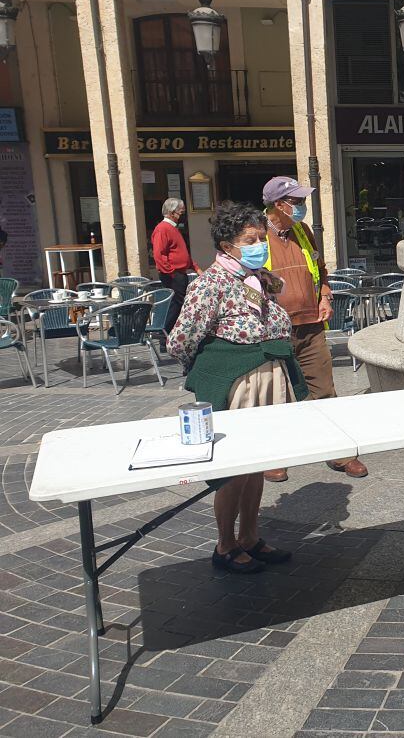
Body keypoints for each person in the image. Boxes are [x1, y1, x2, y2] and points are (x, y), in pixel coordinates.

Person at [166, 202, 306, 574]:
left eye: (261, 237)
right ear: (228, 245)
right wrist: (211, 372)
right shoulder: (210, 284)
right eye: (251, 239)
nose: (260, 244)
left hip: (267, 377)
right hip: (238, 386)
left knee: (256, 464)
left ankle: (250, 537)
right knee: (233, 469)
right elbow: (180, 340)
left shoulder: (257, 278)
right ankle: (225, 544)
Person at [259, 176, 369, 482]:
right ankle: (275, 457)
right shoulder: (256, 236)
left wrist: (324, 296)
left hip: (310, 325)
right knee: (276, 397)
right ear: (278, 205)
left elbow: (319, 270)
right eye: (296, 202)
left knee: (324, 390)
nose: (302, 207)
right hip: (274, 331)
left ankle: (340, 453)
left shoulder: (303, 231)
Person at [151, 198, 201, 333]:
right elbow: (159, 254)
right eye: (181, 212)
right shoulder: (162, 229)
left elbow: (181, 252)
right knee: (176, 305)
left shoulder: (172, 228)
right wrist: (171, 272)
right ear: (172, 213)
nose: (182, 215)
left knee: (178, 304)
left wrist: (195, 267)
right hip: (173, 275)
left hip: (178, 273)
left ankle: (172, 334)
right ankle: (164, 334)